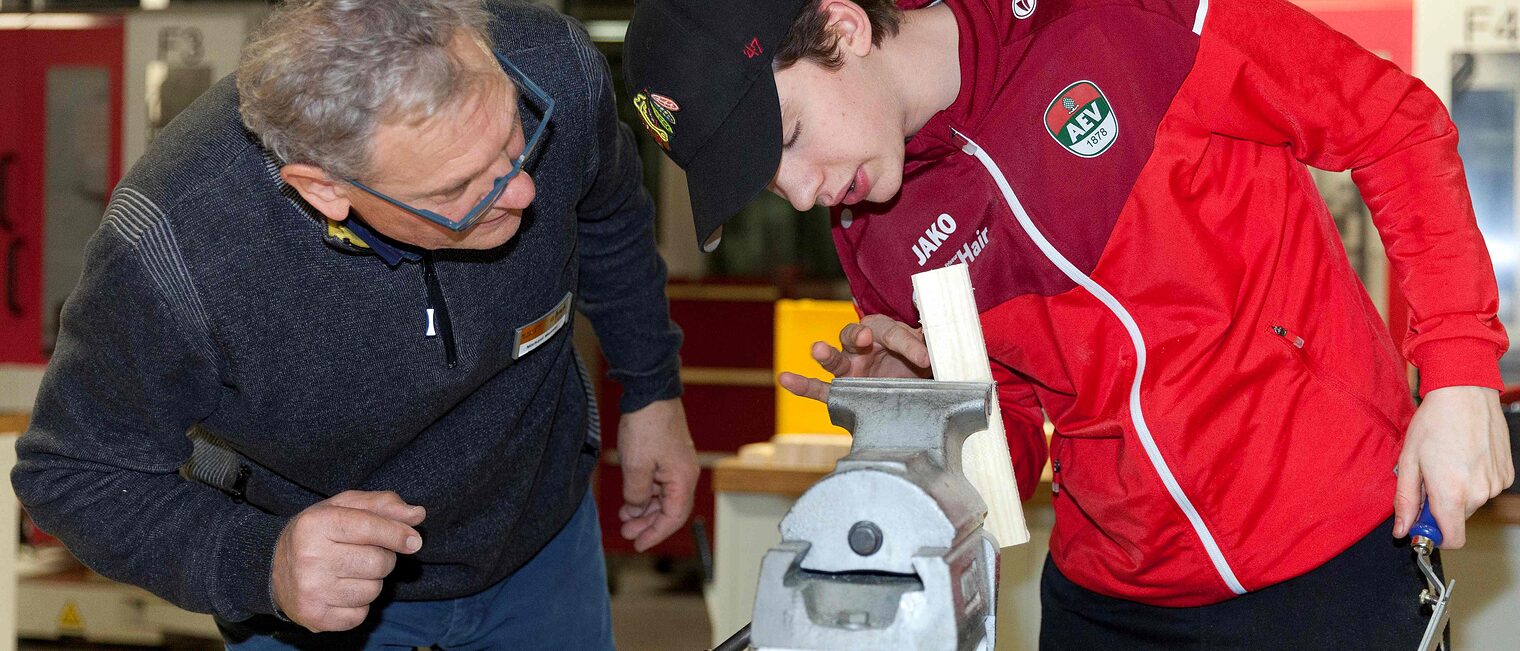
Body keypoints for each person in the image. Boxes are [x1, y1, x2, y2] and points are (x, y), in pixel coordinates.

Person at [624, 0, 1513, 647]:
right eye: (767, 184)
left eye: (786, 137)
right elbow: (1010, 456)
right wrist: (929, 414)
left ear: (843, 29)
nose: (804, 191)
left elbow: (1393, 123)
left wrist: (1461, 370)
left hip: (1328, 562)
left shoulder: (1118, 19)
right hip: (1106, 602)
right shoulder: (873, 233)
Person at [10, 0, 697, 648]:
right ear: (324, 189)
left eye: (518, 138)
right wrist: (263, 564)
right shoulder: (176, 247)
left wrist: (652, 388)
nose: (519, 189)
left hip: (539, 533)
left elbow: (607, 216)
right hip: (313, 583)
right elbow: (74, 471)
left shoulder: (552, 65)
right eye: (457, 191)